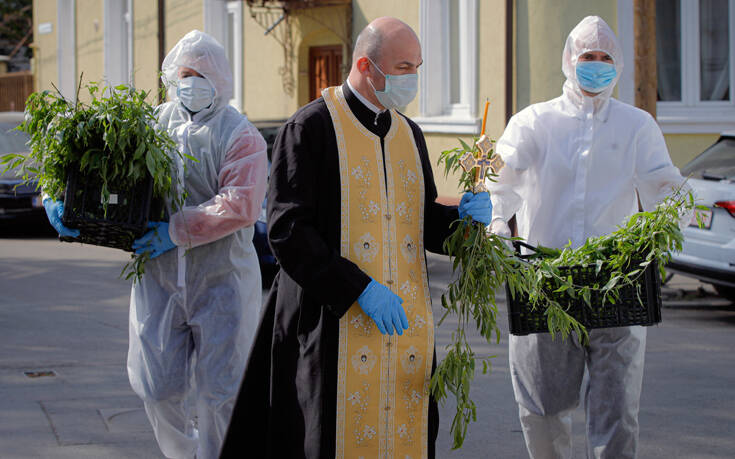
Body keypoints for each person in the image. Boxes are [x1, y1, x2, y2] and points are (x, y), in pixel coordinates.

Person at [220, 17, 491, 459]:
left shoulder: (409, 134)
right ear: (367, 65)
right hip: (331, 325)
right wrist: (358, 288)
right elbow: (288, 231)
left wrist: (463, 222)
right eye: (404, 67)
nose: (413, 79)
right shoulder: (309, 128)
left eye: (417, 67)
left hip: (404, 327)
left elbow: (422, 224)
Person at [487, 16, 689, 459]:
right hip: (546, 281)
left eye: (604, 58)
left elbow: (663, 187)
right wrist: (497, 226)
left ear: (617, 65)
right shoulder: (534, 123)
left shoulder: (636, 126)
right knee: (542, 406)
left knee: (617, 409)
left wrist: (682, 205)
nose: (595, 66)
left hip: (618, 284)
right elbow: (500, 183)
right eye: (586, 57)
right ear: (568, 61)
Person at [126, 30, 267, 459]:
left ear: (220, 78)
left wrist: (174, 230)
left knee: (221, 394)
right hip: (160, 283)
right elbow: (116, 175)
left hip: (222, 282)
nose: (192, 81)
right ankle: (182, 454)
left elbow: (241, 204)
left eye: (201, 73)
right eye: (185, 73)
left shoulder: (239, 135)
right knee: (155, 386)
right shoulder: (154, 126)